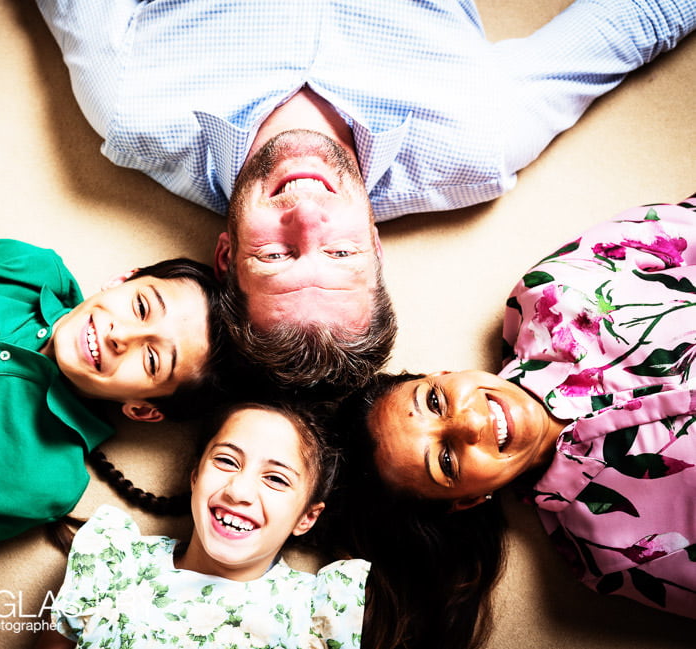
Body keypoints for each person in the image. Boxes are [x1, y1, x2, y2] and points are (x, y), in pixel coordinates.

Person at [35, 0, 695, 391]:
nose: (308, 214)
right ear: (375, 245)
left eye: (277, 257)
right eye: (341, 251)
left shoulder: (134, 108)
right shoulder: (475, 140)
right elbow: (636, 20)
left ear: (226, 253)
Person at [346, 196, 696, 639]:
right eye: (446, 462)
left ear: (445, 374)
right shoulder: (612, 553)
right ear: (469, 500)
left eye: (435, 401)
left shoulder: (554, 290)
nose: (470, 424)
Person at [0, 215, 225, 588]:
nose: (122, 336)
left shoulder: (48, 481)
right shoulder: (33, 269)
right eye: (141, 307)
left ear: (142, 409)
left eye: (151, 360)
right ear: (122, 280)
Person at [35, 402, 370, 649]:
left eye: (276, 479)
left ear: (306, 517)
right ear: (195, 477)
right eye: (226, 461)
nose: (238, 491)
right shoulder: (112, 564)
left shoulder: (318, 613)